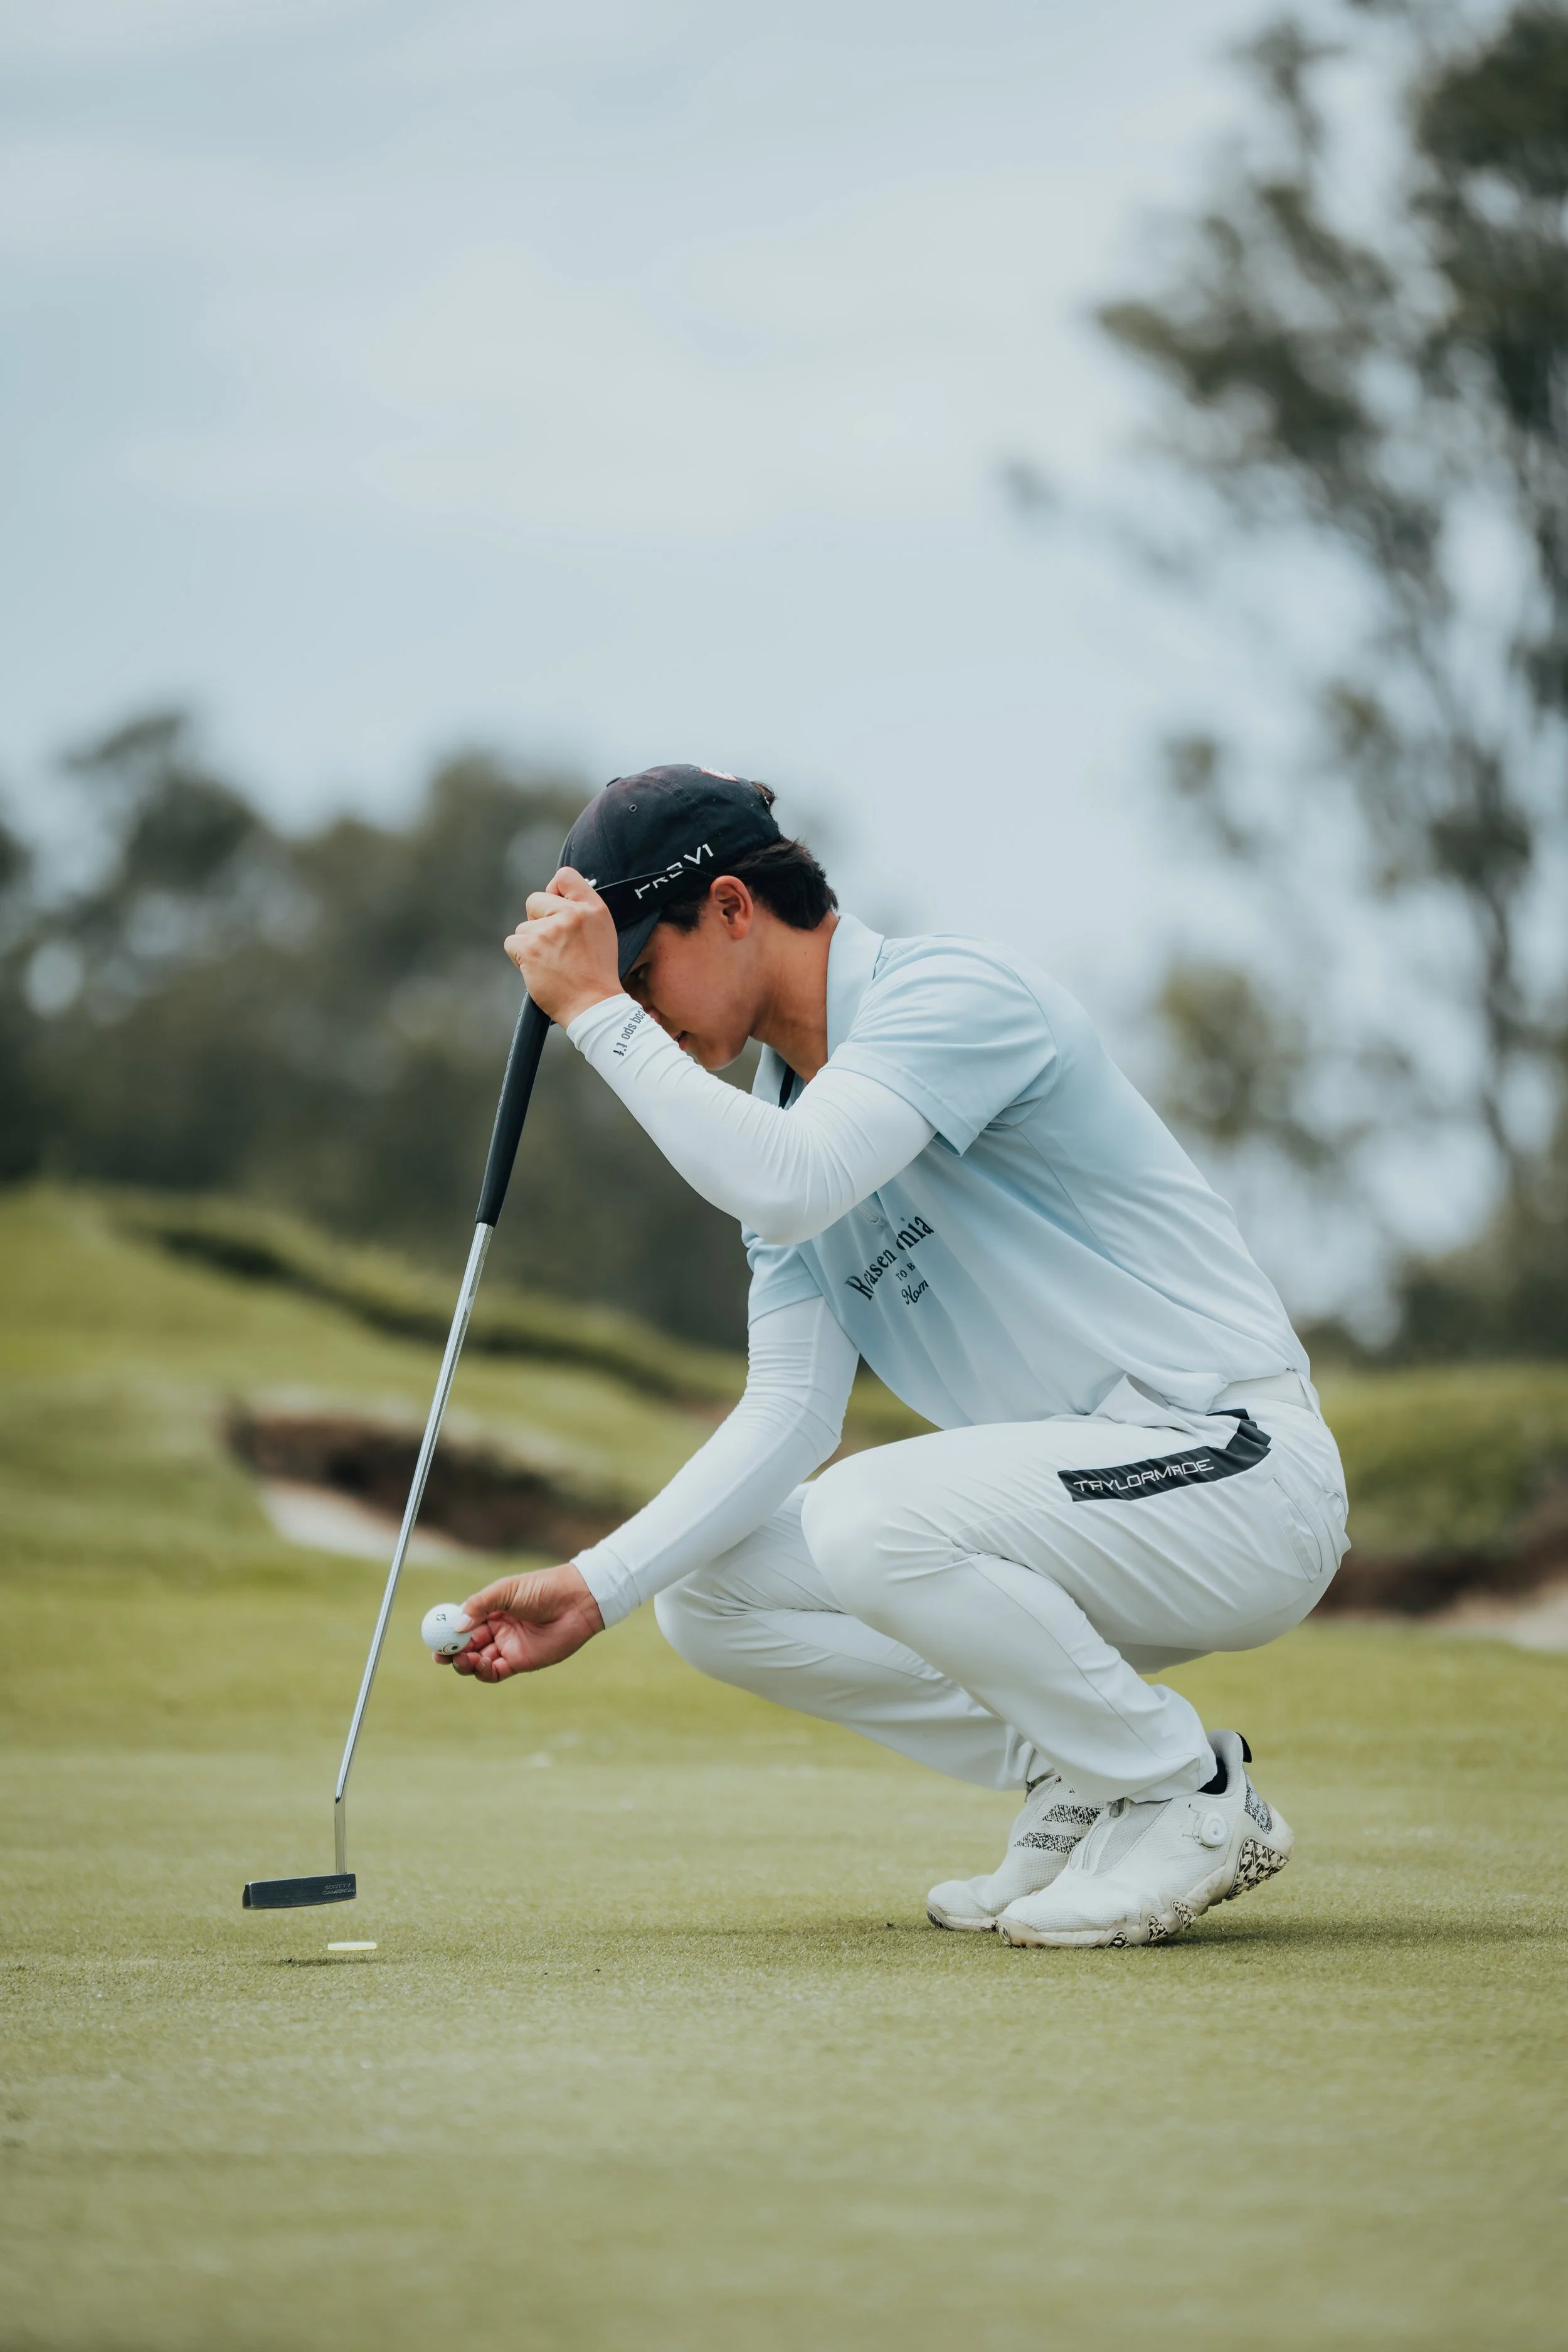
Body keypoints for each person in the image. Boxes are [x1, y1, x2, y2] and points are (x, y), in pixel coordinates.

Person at [444, 765, 1348, 1948]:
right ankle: (1082, 1770)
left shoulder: (948, 993)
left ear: (730, 908)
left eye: (641, 969)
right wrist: (601, 1584)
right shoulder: (782, 1127)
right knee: (706, 1589)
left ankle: (1183, 1787)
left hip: (1236, 1468)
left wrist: (593, 1012)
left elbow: (791, 1174)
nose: (638, 1006)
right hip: (1087, 1512)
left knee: (873, 1512)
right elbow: (792, 1409)